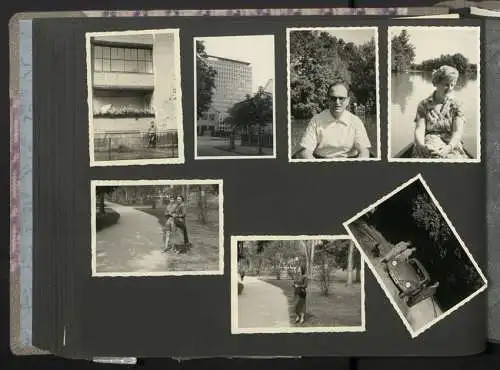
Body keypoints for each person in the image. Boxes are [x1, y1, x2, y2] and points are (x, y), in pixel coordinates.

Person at [296, 79, 371, 159]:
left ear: (348, 101)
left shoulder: (355, 121)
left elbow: (364, 151)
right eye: (333, 98)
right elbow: (305, 151)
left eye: (341, 98)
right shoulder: (316, 120)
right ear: (328, 100)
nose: (337, 102)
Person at [412, 65, 469, 159]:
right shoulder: (423, 105)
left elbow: (457, 131)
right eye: (446, 84)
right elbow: (419, 130)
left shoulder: (457, 105)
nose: (450, 88)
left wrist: (448, 149)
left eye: (452, 84)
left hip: (451, 145)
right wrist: (422, 146)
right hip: (428, 144)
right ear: (436, 83)